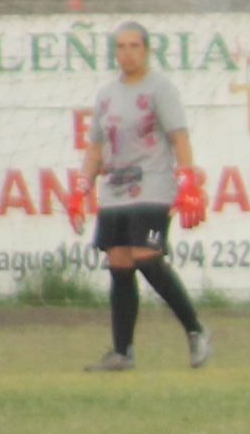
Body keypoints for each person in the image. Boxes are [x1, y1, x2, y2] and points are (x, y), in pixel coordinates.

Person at [79, 21, 211, 371]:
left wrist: (188, 181)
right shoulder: (106, 94)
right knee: (120, 264)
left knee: (146, 257)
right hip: (115, 191)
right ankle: (122, 352)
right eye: (121, 47)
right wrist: (82, 185)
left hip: (152, 185)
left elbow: (179, 136)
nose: (127, 53)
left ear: (147, 50)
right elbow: (95, 145)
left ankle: (196, 330)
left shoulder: (160, 89)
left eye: (134, 46)